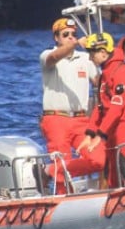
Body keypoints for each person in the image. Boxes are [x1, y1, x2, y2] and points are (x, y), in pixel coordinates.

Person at [72, 32, 125, 188]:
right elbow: (101, 107)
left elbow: (116, 108)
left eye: (92, 53)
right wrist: (90, 133)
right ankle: (115, 198)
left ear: (103, 52)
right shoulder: (106, 74)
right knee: (111, 169)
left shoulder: (122, 72)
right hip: (112, 126)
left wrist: (100, 135)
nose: (90, 58)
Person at [39, 17, 95, 191]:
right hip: (57, 118)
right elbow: (55, 56)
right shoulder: (48, 55)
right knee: (62, 167)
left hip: (81, 120)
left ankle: (48, 171)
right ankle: (62, 190)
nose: (71, 37)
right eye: (66, 35)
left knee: (98, 159)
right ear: (57, 38)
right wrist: (76, 43)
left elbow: (99, 81)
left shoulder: (85, 58)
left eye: (73, 34)